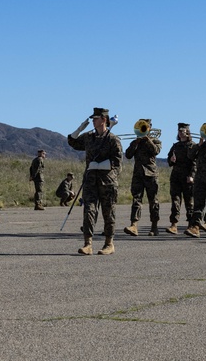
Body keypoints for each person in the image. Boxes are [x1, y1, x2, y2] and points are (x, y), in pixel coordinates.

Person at [67, 107, 122, 255]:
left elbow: (117, 164)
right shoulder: (88, 137)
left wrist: (100, 165)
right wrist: (79, 128)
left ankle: (109, 244)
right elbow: (72, 142)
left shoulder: (112, 139)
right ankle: (88, 244)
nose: (93, 121)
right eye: (92, 119)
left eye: (96, 118)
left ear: (104, 120)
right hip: (90, 181)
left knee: (108, 212)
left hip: (107, 182)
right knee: (89, 211)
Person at [124, 121, 161, 236]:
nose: (142, 130)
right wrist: (136, 143)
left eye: (144, 127)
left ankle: (154, 226)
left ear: (149, 129)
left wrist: (147, 140)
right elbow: (128, 155)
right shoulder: (135, 142)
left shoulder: (155, 141)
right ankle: (134, 225)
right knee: (136, 199)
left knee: (153, 201)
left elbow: (156, 151)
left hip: (151, 174)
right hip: (138, 175)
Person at [165, 123, 195, 235]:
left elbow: (195, 162)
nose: (181, 133)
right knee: (175, 201)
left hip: (187, 177)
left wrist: (192, 175)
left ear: (187, 132)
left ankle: (191, 225)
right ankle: (174, 224)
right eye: (179, 131)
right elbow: (169, 159)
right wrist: (171, 160)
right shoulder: (176, 146)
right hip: (176, 176)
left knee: (189, 202)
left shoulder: (192, 145)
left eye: (183, 131)